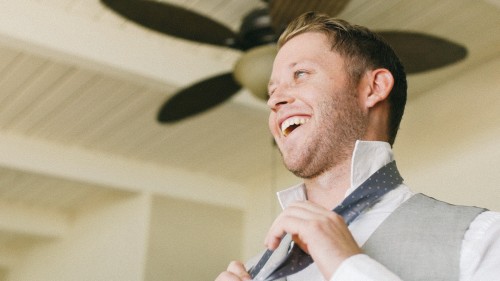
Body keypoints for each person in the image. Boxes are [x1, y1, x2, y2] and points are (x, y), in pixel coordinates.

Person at [215, 12, 500, 281]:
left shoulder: (480, 237)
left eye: (300, 74)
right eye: (272, 90)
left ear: (374, 87)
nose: (273, 101)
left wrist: (346, 265)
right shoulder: (255, 271)